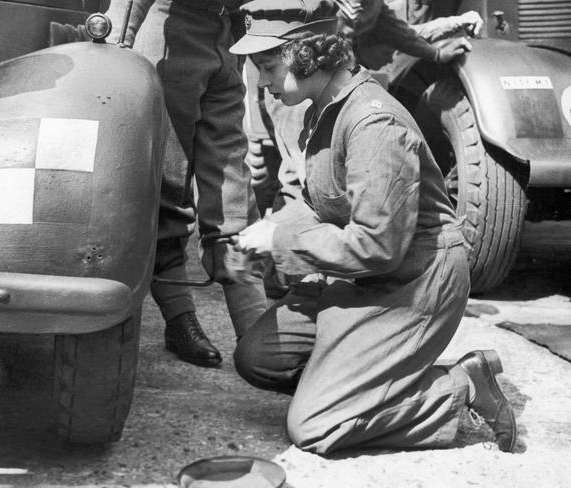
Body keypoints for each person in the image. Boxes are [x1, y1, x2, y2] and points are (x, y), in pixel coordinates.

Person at [229, 0, 517, 454]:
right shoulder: (322, 108)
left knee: (315, 428)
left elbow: (377, 246)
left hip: (414, 282)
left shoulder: (373, 121)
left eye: (267, 67)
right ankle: (362, 380)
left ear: (307, 56)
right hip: (362, 274)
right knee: (259, 357)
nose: (261, 82)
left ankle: (459, 386)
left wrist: (283, 240)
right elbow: (319, 203)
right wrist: (269, 227)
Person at [104, 0, 268, 367]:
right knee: (169, 187)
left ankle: (258, 335)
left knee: (232, 189)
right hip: (171, 38)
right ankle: (180, 320)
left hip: (228, 39)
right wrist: (115, 50)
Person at [246, 0, 484, 213]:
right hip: (292, 88)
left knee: (326, 172)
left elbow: (400, 33)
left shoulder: (374, 6)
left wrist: (436, 53)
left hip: (335, 90)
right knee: (301, 173)